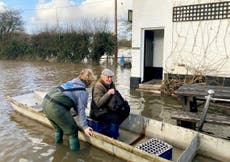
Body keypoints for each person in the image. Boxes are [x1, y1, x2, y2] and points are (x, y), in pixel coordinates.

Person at [42, 68, 96, 152]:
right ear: (89, 81)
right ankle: (75, 155)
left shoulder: (71, 82)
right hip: (56, 107)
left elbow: (72, 102)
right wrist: (85, 127)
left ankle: (58, 148)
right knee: (73, 131)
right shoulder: (83, 92)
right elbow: (81, 110)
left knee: (58, 129)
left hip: (45, 102)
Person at [90, 68, 130, 139]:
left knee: (126, 109)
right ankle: (112, 134)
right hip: (99, 112)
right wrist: (108, 93)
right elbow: (98, 104)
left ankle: (111, 127)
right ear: (102, 77)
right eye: (108, 77)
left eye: (111, 77)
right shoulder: (98, 86)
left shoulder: (111, 84)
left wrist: (122, 99)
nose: (110, 79)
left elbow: (116, 95)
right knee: (115, 118)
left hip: (109, 107)